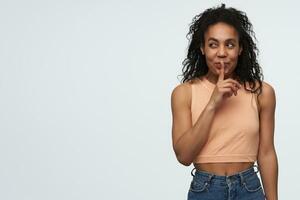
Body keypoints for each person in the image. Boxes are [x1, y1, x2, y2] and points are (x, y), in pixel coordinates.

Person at [170, 3, 278, 200]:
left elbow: (267, 153)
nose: (222, 53)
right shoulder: (184, 93)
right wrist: (213, 103)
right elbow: (184, 156)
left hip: (249, 189)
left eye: (229, 44)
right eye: (213, 44)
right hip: (206, 190)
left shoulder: (262, 93)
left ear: (240, 48)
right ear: (202, 48)